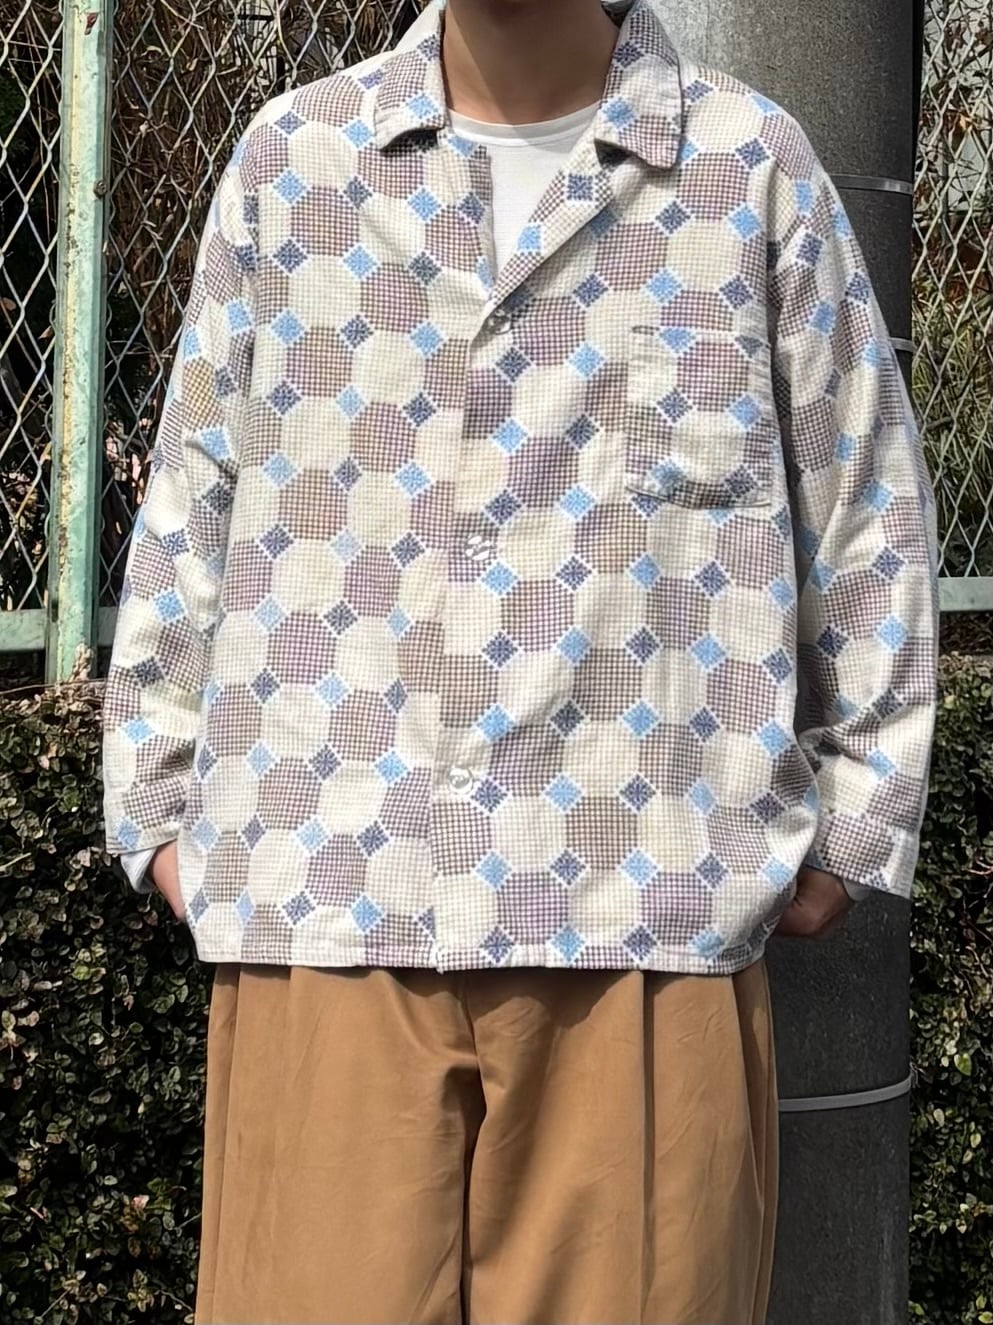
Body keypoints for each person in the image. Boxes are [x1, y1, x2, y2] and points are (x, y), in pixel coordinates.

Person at [101, 0, 939, 1320]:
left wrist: (856, 820)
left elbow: (866, 504)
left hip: (646, 918)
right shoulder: (294, 163)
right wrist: (157, 806)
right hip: (327, 901)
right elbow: (192, 497)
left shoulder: (747, 170)